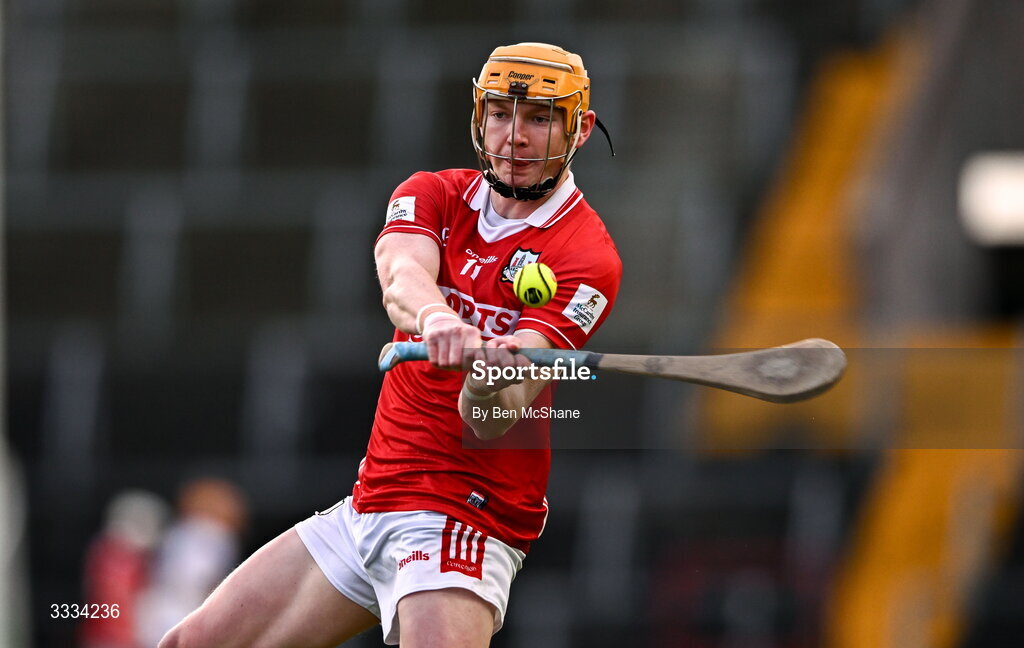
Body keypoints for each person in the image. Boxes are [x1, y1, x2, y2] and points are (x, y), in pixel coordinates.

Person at [159, 41, 622, 648]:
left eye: (539, 118)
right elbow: (401, 277)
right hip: (370, 501)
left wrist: (490, 373)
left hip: (463, 516)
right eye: (501, 115)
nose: (515, 138)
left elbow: (494, 417)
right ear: (479, 116)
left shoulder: (587, 258)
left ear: (579, 130)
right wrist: (440, 322)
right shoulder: (434, 193)